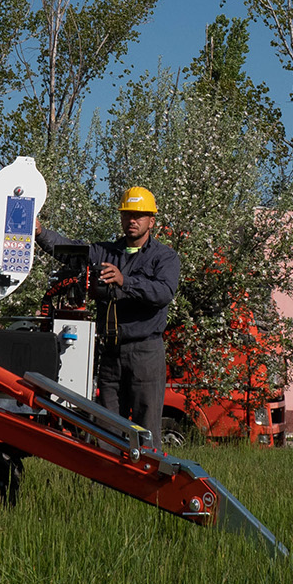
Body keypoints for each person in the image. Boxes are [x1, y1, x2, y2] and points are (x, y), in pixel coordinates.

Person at [36, 185, 180, 441]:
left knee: (146, 429)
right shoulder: (104, 252)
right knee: (108, 430)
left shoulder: (165, 257)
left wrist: (125, 281)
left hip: (145, 352)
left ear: (151, 221)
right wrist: (40, 232)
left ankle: (147, 468)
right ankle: (108, 467)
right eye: (127, 215)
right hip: (111, 353)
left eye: (139, 215)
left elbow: (163, 292)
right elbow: (70, 250)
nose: (132, 220)